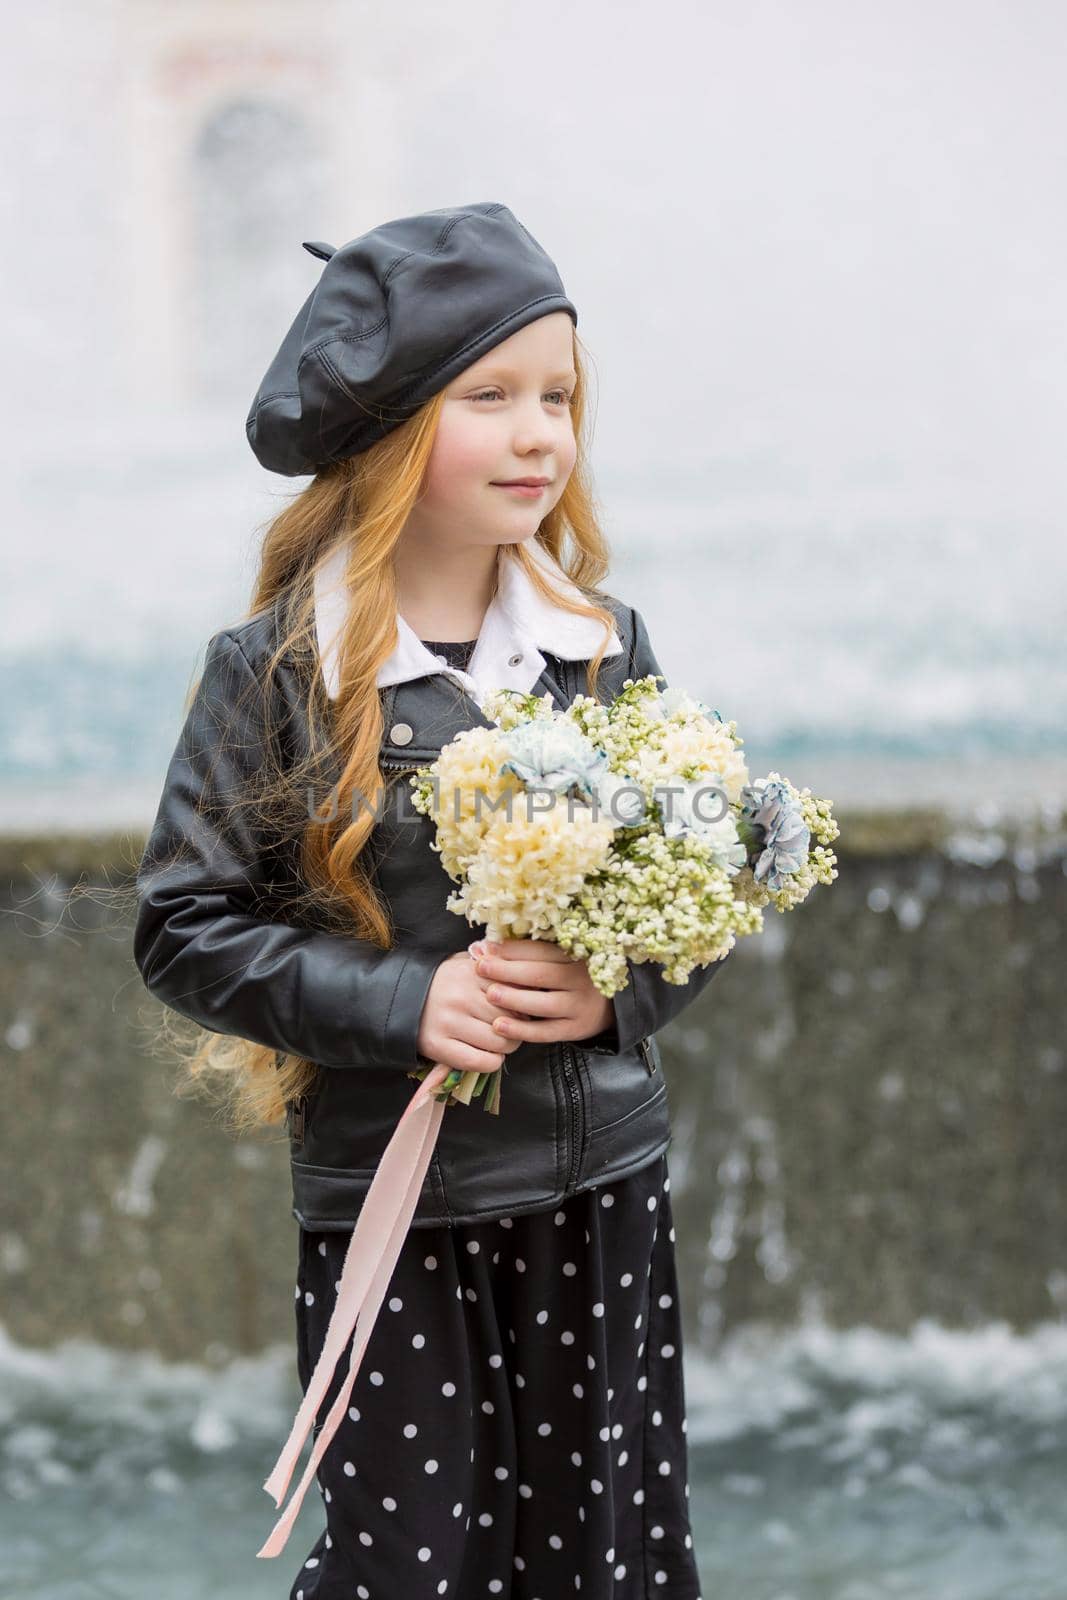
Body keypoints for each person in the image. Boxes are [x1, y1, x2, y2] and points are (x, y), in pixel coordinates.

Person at [133, 202, 728, 1598]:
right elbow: (183, 924)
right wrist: (410, 1002)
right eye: (494, 397)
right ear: (397, 423)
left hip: (602, 1192)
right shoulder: (283, 669)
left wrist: (617, 989)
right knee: (409, 1565)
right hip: (398, 1219)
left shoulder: (601, 645)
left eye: (561, 398)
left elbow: (697, 892)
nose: (542, 436)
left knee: (608, 1560)